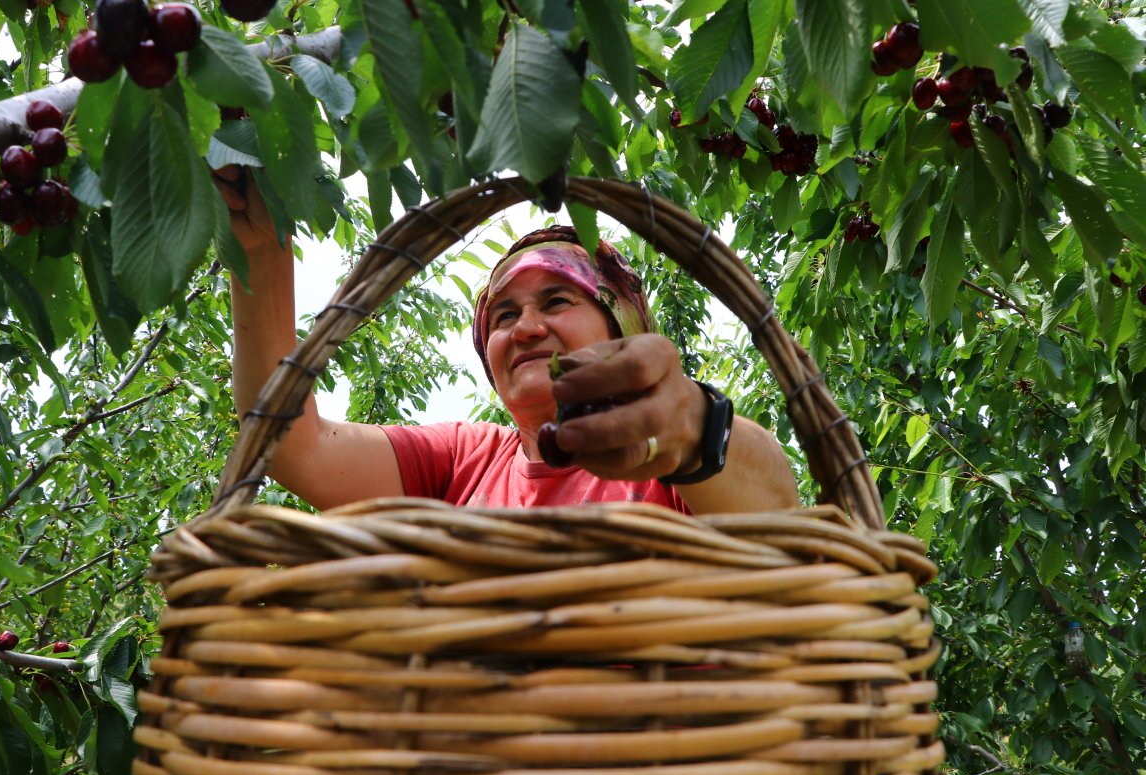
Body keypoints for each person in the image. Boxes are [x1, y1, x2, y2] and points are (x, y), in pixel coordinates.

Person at [216, 167, 799, 515]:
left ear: (620, 324)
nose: (524, 328)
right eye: (503, 315)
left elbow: (776, 511)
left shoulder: (663, 455)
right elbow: (293, 444)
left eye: (557, 301)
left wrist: (696, 428)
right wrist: (264, 254)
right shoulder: (463, 461)